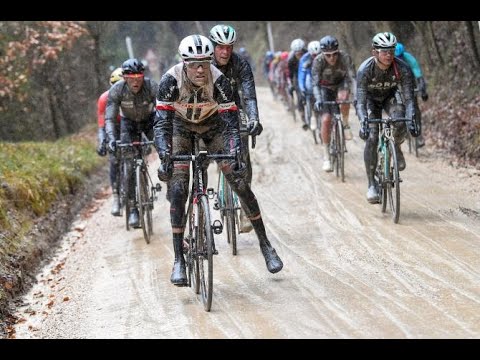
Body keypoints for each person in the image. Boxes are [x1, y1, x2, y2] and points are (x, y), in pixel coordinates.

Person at [153, 34, 283, 285]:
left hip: (213, 127)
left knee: (239, 181)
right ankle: (179, 258)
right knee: (178, 188)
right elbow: (161, 125)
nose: (200, 69)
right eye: (194, 64)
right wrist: (164, 155)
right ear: (184, 63)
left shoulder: (220, 81)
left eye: (204, 62)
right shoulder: (170, 80)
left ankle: (266, 245)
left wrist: (235, 152)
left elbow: (232, 124)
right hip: (181, 129)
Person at [209, 24, 263, 233]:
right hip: (208, 110)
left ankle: (245, 210)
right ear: (213, 47)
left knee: (242, 158)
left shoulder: (240, 64)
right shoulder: (203, 65)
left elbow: (249, 95)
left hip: (233, 109)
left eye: (228, 47)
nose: (225, 52)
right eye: (220, 47)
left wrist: (254, 119)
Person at [356, 32, 418, 203]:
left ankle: (396, 147)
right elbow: (360, 101)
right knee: (372, 136)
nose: (389, 55)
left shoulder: (403, 68)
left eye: (391, 50)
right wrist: (363, 121)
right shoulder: (365, 70)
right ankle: (371, 184)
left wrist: (411, 118)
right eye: (384, 51)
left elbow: (409, 99)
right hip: (369, 101)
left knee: (399, 121)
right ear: (374, 52)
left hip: (390, 97)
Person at [104, 58, 159, 227]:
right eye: (131, 77)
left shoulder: (151, 86)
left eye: (139, 76)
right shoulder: (117, 90)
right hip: (128, 125)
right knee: (128, 167)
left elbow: (164, 110)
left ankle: (172, 188)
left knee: (166, 150)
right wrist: (112, 139)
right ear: (124, 77)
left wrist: (163, 135)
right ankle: (133, 208)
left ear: (143, 75)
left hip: (150, 121)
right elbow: (110, 119)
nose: (136, 80)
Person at [312, 35, 356, 172]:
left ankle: (345, 123)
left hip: (341, 84)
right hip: (325, 88)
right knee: (325, 120)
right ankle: (326, 156)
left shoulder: (345, 58)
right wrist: (318, 99)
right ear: (323, 54)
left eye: (334, 54)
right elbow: (315, 84)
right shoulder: (318, 61)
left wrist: (356, 95)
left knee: (344, 97)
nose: (332, 58)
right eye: (328, 55)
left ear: (338, 51)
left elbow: (353, 79)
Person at [97, 67, 123, 216]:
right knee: (114, 161)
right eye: (115, 85)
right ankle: (116, 197)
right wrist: (102, 142)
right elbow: (102, 125)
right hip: (112, 128)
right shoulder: (104, 99)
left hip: (130, 126)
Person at [395, 42, 429, 147]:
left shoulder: (409, 58)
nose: (400, 59)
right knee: (398, 108)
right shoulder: (389, 61)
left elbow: (418, 74)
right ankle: (402, 128)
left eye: (401, 56)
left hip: (409, 83)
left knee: (415, 110)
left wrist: (422, 89)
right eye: (397, 57)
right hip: (396, 83)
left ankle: (418, 136)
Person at [298, 40, 321, 130]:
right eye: (314, 55)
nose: (316, 57)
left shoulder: (324, 57)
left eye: (318, 54)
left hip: (321, 80)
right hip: (310, 81)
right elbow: (301, 75)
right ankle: (310, 117)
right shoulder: (304, 59)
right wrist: (302, 88)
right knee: (307, 86)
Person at [287, 38, 308, 128]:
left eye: (301, 53)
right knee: (299, 96)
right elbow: (291, 74)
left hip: (307, 73)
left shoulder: (308, 54)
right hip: (296, 76)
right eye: (297, 53)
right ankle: (302, 116)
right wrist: (291, 84)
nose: (299, 55)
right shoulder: (291, 60)